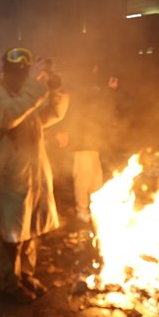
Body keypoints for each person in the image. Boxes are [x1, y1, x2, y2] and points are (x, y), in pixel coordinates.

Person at [0, 47, 69, 302]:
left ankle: (27, 276)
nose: (23, 78)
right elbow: (8, 117)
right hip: (12, 178)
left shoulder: (26, 97)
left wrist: (56, 89)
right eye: (19, 73)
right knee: (13, 237)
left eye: (26, 73)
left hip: (33, 177)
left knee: (31, 230)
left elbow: (52, 115)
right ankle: (10, 285)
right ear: (8, 73)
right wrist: (35, 86)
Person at [57, 64, 115, 224]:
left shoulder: (94, 87)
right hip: (81, 141)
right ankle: (81, 211)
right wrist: (63, 132)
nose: (96, 68)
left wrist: (109, 90)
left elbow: (101, 107)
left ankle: (95, 209)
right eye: (94, 66)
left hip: (93, 142)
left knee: (96, 180)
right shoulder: (79, 87)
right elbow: (70, 111)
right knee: (82, 179)